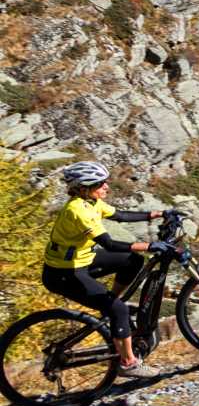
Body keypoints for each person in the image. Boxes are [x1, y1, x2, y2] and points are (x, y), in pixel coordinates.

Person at [42, 162, 172, 378]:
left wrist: (160, 213)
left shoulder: (91, 201)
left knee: (132, 261)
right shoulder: (78, 211)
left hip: (80, 260)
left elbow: (120, 215)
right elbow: (110, 244)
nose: (106, 187)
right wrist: (150, 246)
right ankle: (128, 363)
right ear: (84, 188)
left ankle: (110, 306)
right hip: (64, 274)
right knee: (119, 310)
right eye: (100, 184)